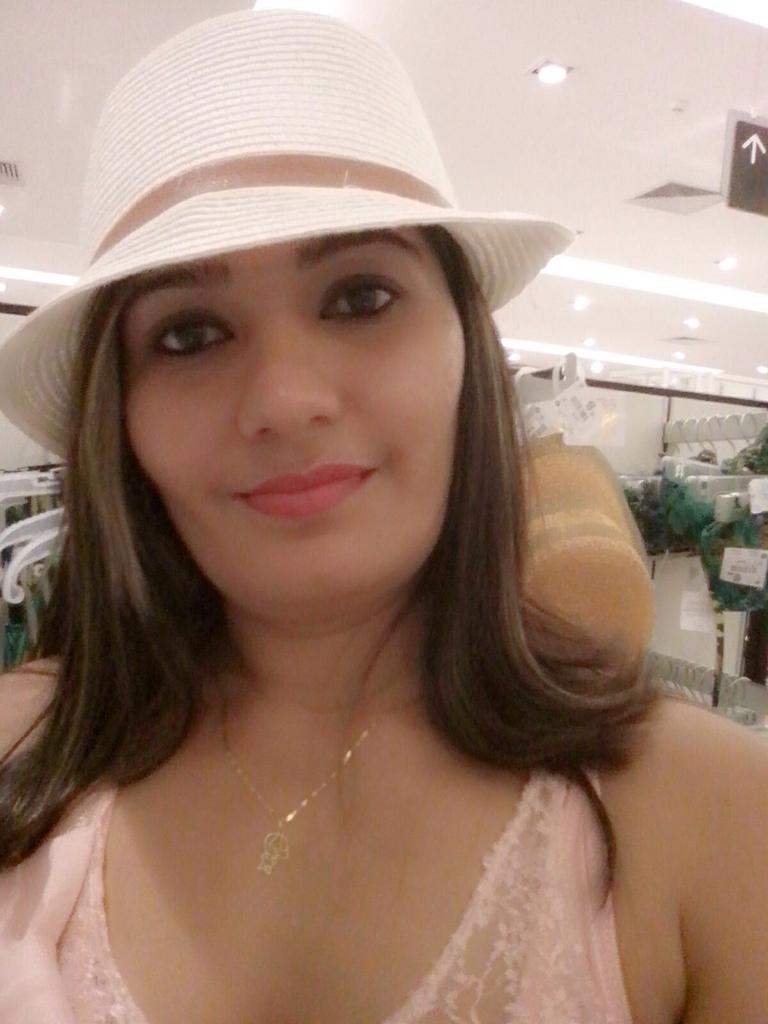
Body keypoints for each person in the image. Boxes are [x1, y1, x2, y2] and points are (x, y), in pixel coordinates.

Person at [0, 8, 766, 1023]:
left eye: (359, 297)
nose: (285, 400)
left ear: (466, 347)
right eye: (189, 334)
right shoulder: (20, 750)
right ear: (121, 417)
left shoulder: (714, 817)